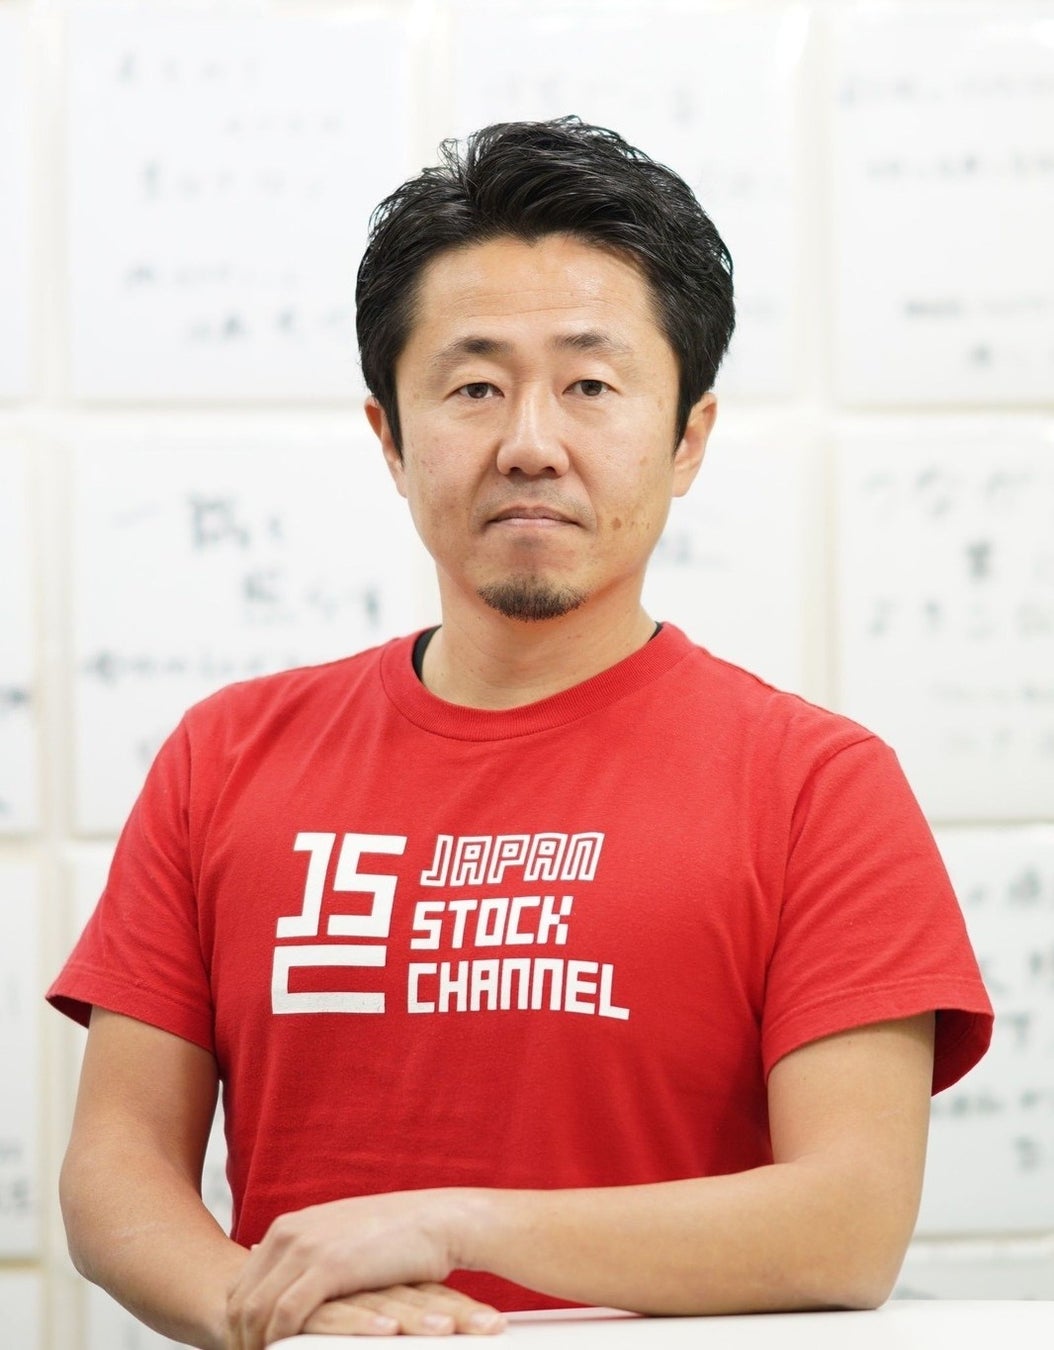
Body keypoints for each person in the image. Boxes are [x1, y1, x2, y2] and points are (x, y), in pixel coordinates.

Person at [49, 118, 993, 1350]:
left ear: (687, 438)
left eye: (590, 386)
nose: (530, 444)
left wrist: (454, 1227)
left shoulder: (818, 784)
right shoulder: (225, 756)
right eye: (474, 387)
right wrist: (278, 1311)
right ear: (390, 439)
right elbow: (115, 1172)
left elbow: (846, 1225)